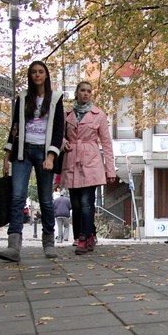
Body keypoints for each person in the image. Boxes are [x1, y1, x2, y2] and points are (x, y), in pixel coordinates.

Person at [0, 60, 65, 262]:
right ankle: (14, 246)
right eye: (34, 72)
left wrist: (51, 156)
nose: (37, 75)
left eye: (41, 72)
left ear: (46, 75)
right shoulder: (23, 97)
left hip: (44, 153)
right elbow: (15, 126)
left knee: (45, 199)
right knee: (18, 196)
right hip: (23, 151)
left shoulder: (55, 99)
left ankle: (49, 242)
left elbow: (59, 129)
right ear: (30, 75)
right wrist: (6, 156)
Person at [60, 81, 117, 255]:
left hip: (91, 161)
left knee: (86, 201)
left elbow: (106, 143)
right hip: (71, 160)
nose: (86, 93)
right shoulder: (66, 114)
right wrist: (64, 143)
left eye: (89, 91)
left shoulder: (98, 114)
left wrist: (110, 169)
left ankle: (85, 237)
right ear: (76, 93)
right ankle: (84, 235)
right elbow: (58, 136)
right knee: (76, 204)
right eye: (82, 90)